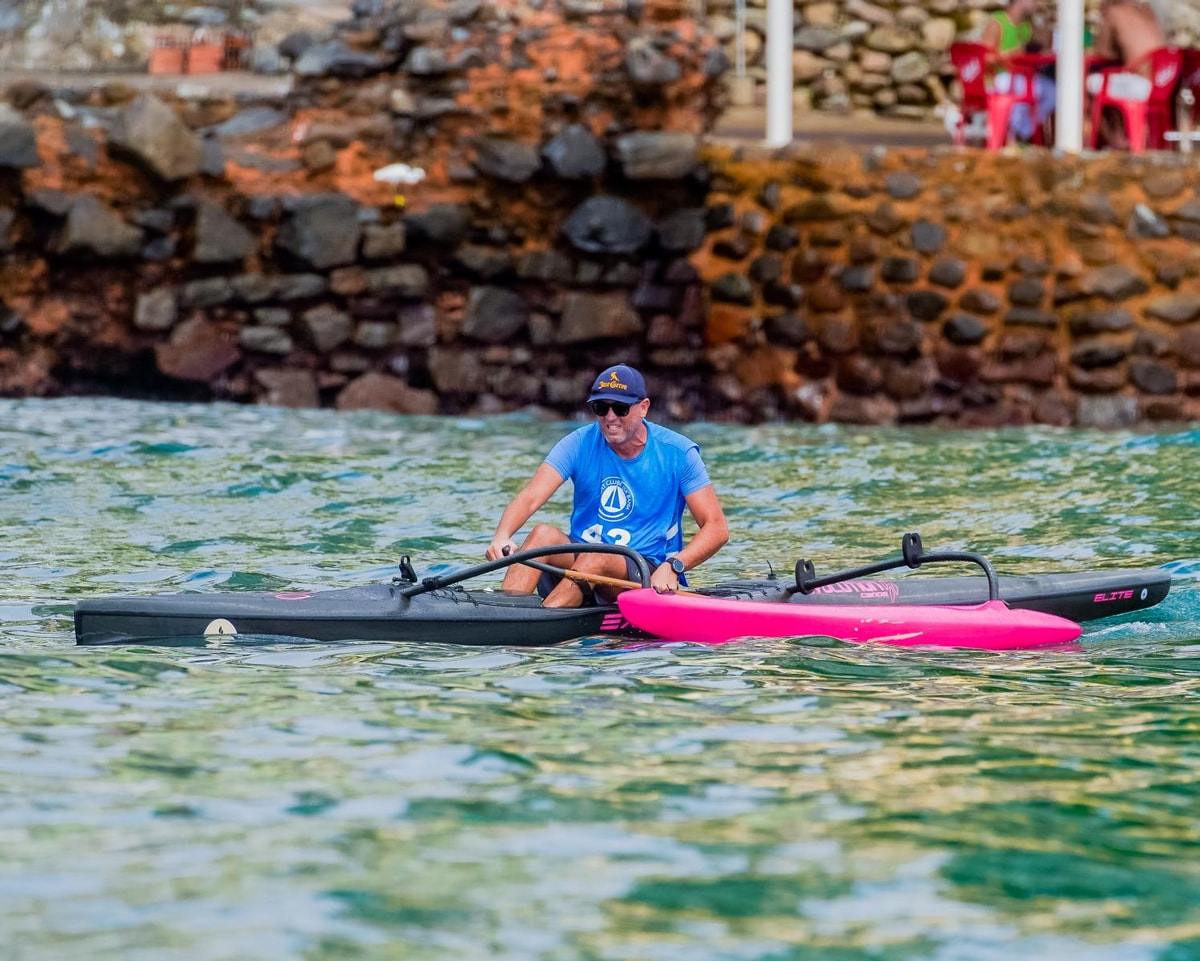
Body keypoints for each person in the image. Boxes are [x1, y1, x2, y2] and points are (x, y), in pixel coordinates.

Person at [486, 364, 728, 608]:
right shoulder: (578, 443)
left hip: (645, 568)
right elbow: (531, 496)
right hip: (583, 558)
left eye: (621, 408)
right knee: (542, 535)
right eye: (600, 408)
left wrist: (674, 566)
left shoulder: (679, 453)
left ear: (643, 408)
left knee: (598, 556)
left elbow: (716, 528)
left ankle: (542, 618)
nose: (610, 417)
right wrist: (501, 536)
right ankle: (505, 612)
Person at [1087, 0, 1168, 148]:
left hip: (1138, 82)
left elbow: (1103, 52)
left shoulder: (1114, 13)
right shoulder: (1147, 11)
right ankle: (1122, 136)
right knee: (1108, 84)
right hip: (1162, 84)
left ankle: (1112, 140)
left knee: (1084, 86)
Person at [981, 0, 1057, 143]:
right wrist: (1014, 54)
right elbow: (985, 58)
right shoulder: (998, 23)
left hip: (1023, 77)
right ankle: (1020, 133)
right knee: (1033, 94)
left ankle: (1022, 131)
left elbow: (1043, 47)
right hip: (999, 78)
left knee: (1054, 93)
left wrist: (1046, 21)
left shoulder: (1027, 27)